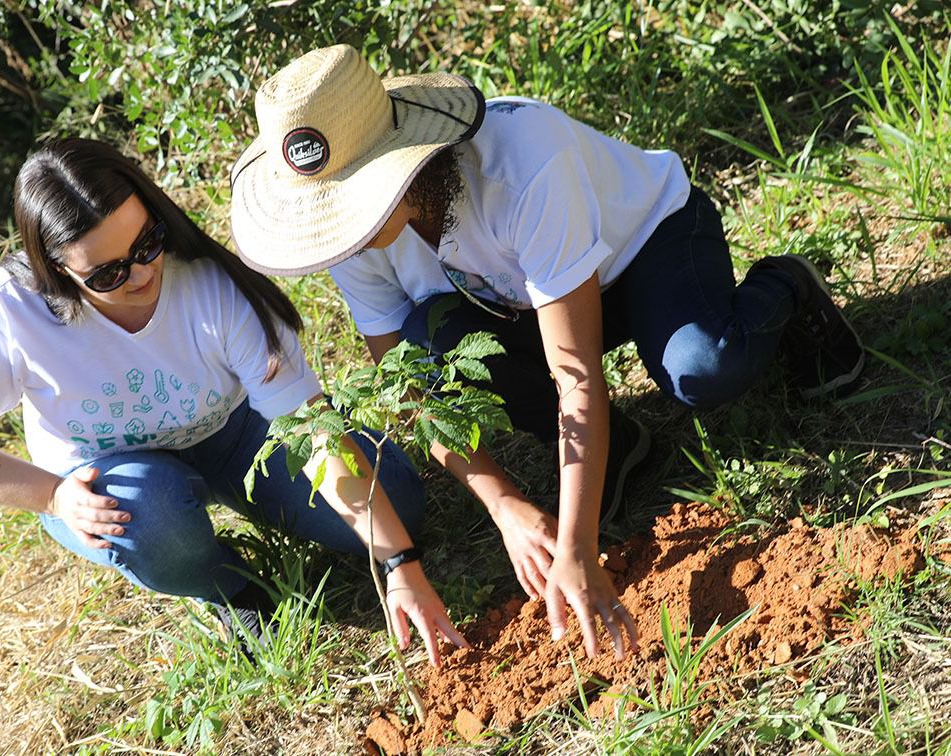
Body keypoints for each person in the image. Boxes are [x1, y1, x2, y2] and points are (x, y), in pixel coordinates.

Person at [228, 45, 864, 661]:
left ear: (406, 164)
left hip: (643, 248)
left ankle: (786, 286)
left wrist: (578, 550)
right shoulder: (358, 244)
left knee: (704, 369)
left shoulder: (522, 164)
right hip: (520, 301)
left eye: (351, 206)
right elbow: (412, 399)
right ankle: (624, 446)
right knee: (431, 337)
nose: (348, 234)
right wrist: (504, 506)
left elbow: (578, 376)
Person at [0, 138, 469, 665]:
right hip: (110, 477)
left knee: (396, 502)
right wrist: (52, 497)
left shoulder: (210, 284)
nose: (142, 272)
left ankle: (264, 507)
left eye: (148, 242)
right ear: (55, 272)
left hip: (232, 432)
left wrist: (400, 565)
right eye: (107, 272)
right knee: (150, 516)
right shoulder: (12, 309)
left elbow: (310, 432)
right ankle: (224, 584)